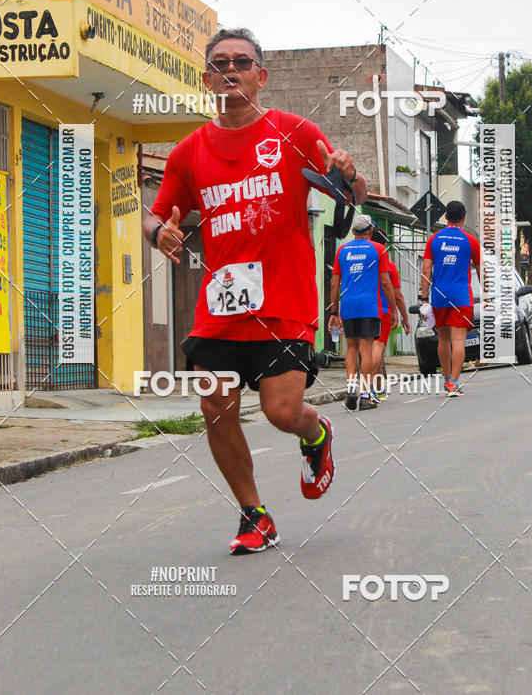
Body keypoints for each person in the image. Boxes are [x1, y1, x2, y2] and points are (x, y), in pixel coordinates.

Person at [143, 28, 367, 555]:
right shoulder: (187, 152)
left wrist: (350, 174)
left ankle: (316, 434)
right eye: (220, 63)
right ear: (206, 78)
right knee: (215, 406)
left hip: (285, 299)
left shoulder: (294, 133)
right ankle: (254, 514)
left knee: (280, 412)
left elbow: (352, 196)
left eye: (242, 62)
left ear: (260, 77)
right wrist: (161, 233)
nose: (231, 70)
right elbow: (152, 217)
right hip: (221, 303)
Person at [329, 214, 397, 411]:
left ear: (352, 232)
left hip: (348, 306)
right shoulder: (378, 249)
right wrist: (392, 309)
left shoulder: (342, 250)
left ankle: (351, 387)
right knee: (365, 349)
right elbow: (385, 282)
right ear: (371, 232)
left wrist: (334, 311)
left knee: (350, 348)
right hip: (370, 306)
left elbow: (334, 283)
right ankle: (366, 395)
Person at [421, 200, 482, 396]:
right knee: (458, 341)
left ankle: (446, 378)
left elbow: (426, 270)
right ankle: (453, 384)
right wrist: (487, 294)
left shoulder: (434, 239)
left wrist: (423, 299)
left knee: (443, 340)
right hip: (461, 297)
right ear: (464, 217)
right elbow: (481, 270)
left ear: (445, 217)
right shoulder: (471, 241)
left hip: (439, 297)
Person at [370, 230, 411, 399]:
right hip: (383, 311)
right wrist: (404, 317)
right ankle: (369, 384)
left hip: (362, 311)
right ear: (385, 245)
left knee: (370, 349)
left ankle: (379, 389)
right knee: (378, 348)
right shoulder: (390, 266)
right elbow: (398, 296)